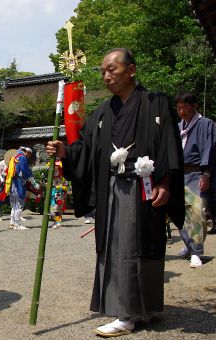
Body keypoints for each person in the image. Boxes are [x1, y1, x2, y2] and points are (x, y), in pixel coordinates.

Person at [46, 48, 184, 337]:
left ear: (131, 70)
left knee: (145, 245)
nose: (106, 76)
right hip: (115, 189)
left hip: (145, 186)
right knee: (119, 246)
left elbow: (169, 143)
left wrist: (165, 182)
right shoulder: (102, 112)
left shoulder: (155, 102)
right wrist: (65, 152)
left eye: (112, 69)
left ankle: (144, 308)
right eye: (103, 71)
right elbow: (84, 147)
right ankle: (128, 312)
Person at [175, 92, 216, 268]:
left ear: (194, 106)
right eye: (178, 108)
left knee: (196, 213)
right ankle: (189, 245)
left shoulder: (207, 125)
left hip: (197, 173)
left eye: (184, 107)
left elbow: (210, 149)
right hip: (179, 174)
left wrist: (206, 174)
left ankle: (196, 251)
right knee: (179, 214)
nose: (181, 111)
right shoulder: (178, 127)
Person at [1, 147, 38, 230]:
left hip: (13, 183)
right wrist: (34, 183)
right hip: (19, 184)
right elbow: (26, 172)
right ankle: (17, 224)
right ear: (27, 152)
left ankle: (12, 223)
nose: (28, 155)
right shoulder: (23, 158)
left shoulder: (14, 158)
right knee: (19, 204)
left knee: (14, 205)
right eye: (28, 153)